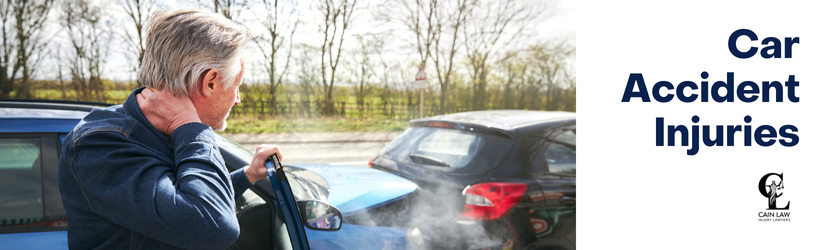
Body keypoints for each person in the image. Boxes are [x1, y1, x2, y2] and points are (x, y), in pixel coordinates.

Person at [58, 9, 282, 250]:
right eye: (235, 86)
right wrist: (191, 127)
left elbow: (178, 201)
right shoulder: (99, 146)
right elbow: (212, 226)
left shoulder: (157, 132)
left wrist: (246, 175)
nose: (237, 99)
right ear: (210, 82)